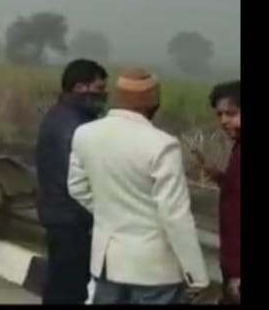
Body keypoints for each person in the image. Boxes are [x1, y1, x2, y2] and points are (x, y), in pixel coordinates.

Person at [68, 67, 209, 304]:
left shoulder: (85, 134)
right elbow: (174, 215)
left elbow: (77, 187)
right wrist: (197, 275)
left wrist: (110, 211)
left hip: (106, 263)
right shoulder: (163, 145)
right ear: (153, 103)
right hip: (154, 269)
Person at [35, 59, 107, 305]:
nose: (103, 96)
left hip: (56, 213)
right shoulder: (77, 126)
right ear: (80, 87)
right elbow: (78, 179)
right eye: (98, 90)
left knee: (59, 283)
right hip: (73, 219)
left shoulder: (57, 115)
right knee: (71, 289)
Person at [194, 80, 240, 304]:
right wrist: (222, 178)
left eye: (231, 113)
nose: (224, 121)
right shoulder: (238, 147)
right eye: (220, 115)